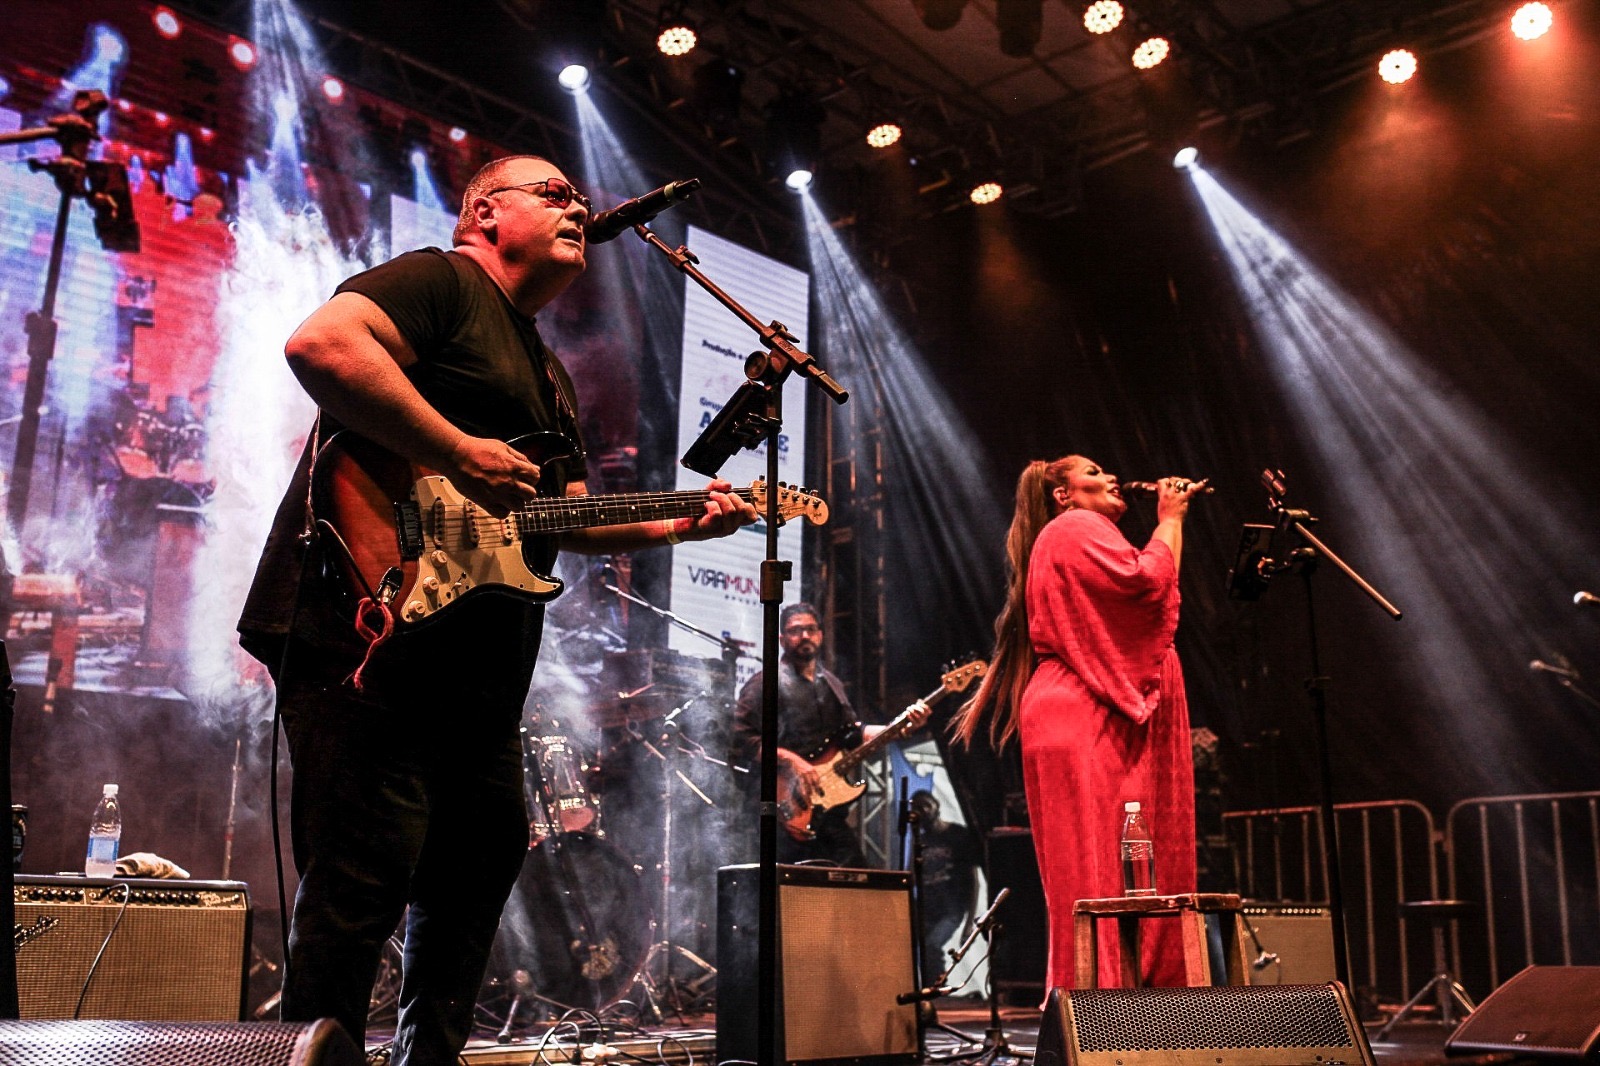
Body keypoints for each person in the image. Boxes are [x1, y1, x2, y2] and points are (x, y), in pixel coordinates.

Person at [237, 155, 756, 1065]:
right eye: (553, 194)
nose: (578, 209)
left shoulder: (545, 368)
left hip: (477, 680)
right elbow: (320, 347)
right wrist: (454, 448)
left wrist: (681, 526)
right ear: (485, 211)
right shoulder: (439, 281)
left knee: (473, 879)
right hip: (376, 639)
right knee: (356, 889)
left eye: (577, 198)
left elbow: (565, 522)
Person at [951, 458, 1204, 990]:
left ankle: (1109, 1000)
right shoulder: (1073, 527)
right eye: (1095, 471)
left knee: (1108, 872)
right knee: (1101, 875)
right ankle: (1098, 1009)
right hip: (1085, 714)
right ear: (1063, 495)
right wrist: (1171, 519)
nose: (1113, 476)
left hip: (1081, 710)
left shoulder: (1061, 537)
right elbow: (1147, 584)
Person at [730, 602, 928, 866]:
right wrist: (793, 761)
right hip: (780, 811)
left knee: (855, 882)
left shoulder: (831, 684)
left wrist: (902, 726)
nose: (804, 636)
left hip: (825, 810)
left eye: (810, 629)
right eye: (795, 630)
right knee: (784, 892)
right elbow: (743, 741)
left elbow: (851, 734)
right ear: (781, 639)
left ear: (820, 635)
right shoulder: (764, 684)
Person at [908, 790, 979, 981]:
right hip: (927, 907)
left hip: (952, 907)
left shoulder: (958, 835)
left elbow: (973, 879)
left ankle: (937, 989)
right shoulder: (920, 840)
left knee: (932, 945)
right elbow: (911, 875)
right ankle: (930, 990)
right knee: (920, 950)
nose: (921, 811)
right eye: (916, 807)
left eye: (925, 806)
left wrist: (969, 921)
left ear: (936, 806)